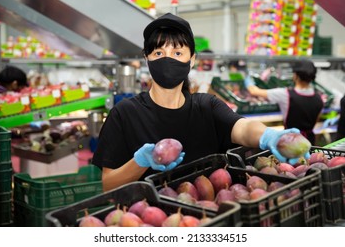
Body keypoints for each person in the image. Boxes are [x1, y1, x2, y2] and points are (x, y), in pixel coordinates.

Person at [92, 13, 309, 192]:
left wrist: (268, 136)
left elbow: (242, 128)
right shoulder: (125, 114)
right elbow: (108, 185)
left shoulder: (206, 106)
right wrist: (139, 162)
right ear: (146, 58)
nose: (167, 59)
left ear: (192, 59)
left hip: (207, 218)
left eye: (178, 52)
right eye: (158, 52)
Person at [244, 60, 324, 145]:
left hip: (289, 141)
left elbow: (254, 91)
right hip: (309, 141)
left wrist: (248, 80)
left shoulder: (285, 95)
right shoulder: (319, 99)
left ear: (295, 76)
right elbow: (316, 120)